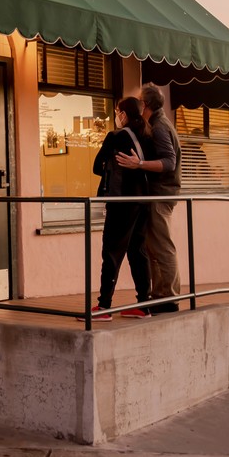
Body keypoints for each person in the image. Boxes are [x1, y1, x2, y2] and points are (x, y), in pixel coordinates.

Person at [81, 96, 154, 321]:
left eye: (117, 111)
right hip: (144, 201)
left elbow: (96, 166)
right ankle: (144, 304)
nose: (116, 115)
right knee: (137, 251)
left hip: (121, 201)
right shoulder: (148, 135)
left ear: (123, 114)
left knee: (111, 251)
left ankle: (104, 307)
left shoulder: (116, 136)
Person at [116, 83, 182, 313]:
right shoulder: (157, 123)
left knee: (162, 247)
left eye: (138, 99)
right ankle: (159, 296)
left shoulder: (160, 126)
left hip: (161, 194)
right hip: (158, 193)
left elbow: (168, 162)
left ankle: (169, 298)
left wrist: (139, 164)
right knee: (153, 248)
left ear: (145, 104)